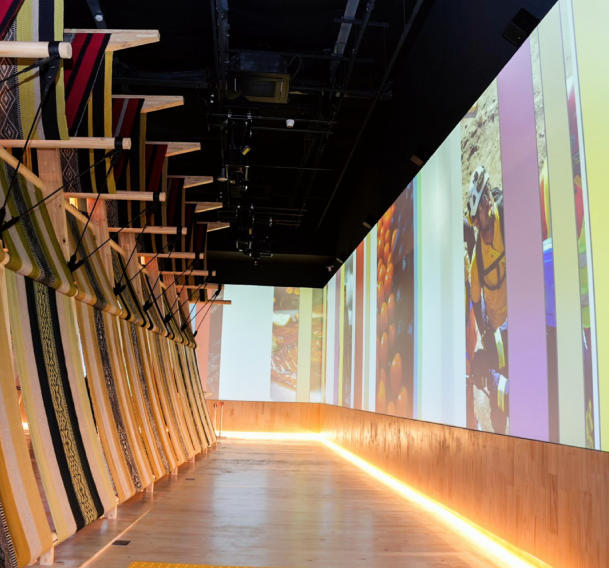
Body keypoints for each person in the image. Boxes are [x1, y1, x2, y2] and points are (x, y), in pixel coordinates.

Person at [466, 166, 509, 434]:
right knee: (499, 399)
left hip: (520, 320)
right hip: (499, 332)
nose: (487, 205)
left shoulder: (506, 218)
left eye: (486, 200)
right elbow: (475, 301)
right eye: (477, 219)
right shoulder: (477, 262)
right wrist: (487, 335)